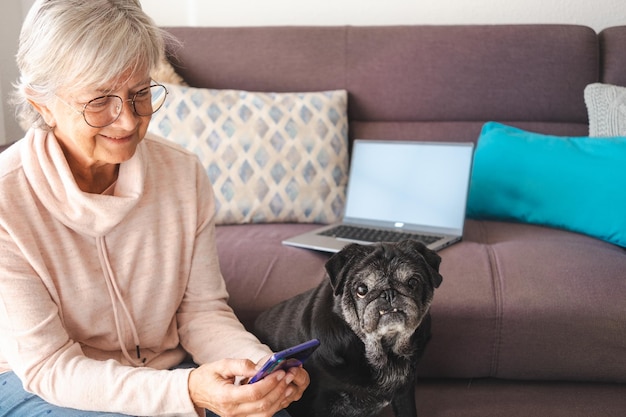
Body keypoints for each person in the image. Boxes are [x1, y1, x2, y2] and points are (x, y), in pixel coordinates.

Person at [0, 1, 309, 416]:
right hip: (39, 388)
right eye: (99, 101)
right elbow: (50, 366)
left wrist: (255, 371)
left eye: (140, 93)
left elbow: (201, 312)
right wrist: (188, 391)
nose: (127, 122)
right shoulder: (7, 201)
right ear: (43, 104)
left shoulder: (183, 173)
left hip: (166, 373)